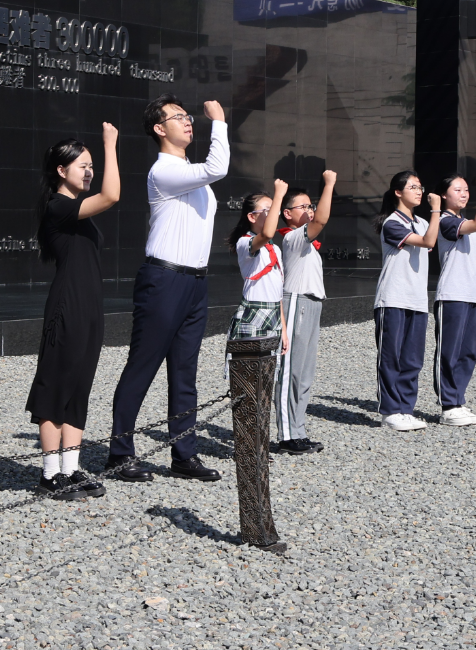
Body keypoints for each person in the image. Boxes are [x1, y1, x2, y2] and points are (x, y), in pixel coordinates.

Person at [106, 95, 229, 482]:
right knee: (142, 366)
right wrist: (219, 121)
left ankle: (184, 455)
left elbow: (208, 174)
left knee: (185, 372)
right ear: (159, 129)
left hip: (195, 282)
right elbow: (218, 167)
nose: (188, 121)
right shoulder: (164, 171)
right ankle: (119, 454)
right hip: (164, 280)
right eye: (178, 117)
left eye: (188, 116)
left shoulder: (191, 173)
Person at [26, 124, 120, 500]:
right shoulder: (59, 207)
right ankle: (50, 475)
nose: (89, 171)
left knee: (79, 388)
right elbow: (111, 195)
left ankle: (70, 469)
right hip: (68, 307)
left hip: (89, 307)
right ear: (61, 170)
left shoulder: (78, 213)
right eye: (83, 165)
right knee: (56, 386)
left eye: (92, 165)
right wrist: (110, 144)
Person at [274, 171, 337, 454]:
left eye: (311, 205)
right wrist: (329, 185)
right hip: (296, 303)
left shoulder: (305, 241)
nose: (310, 210)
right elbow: (321, 221)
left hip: (312, 304)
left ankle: (298, 430)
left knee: (305, 373)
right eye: (304, 206)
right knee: (292, 372)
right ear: (287, 214)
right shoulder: (292, 238)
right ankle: (288, 435)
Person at [374, 170, 441, 431]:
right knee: (390, 357)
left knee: (412, 359)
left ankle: (406, 408)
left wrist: (433, 215)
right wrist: (436, 210)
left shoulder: (422, 222)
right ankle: (390, 411)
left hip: (417, 299)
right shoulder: (391, 222)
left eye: (420, 187)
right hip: (392, 298)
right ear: (398, 192)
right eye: (413, 187)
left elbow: (429, 238)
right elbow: (428, 241)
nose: (419, 191)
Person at [433, 174, 476, 426]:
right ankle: (448, 405)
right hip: (452, 294)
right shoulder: (445, 221)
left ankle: (458, 400)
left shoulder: (464, 222)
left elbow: (474, 263)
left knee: (468, 352)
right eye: (458, 190)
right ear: (444, 195)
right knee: (450, 351)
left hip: (471, 295)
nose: (464, 194)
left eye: (466, 190)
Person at [226, 183, 289, 374]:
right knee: (248, 376)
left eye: (274, 209)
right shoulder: (244, 242)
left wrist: (283, 328)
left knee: (268, 376)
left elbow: (277, 293)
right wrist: (279, 196)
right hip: (252, 314)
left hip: (274, 315)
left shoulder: (275, 249)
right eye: (268, 210)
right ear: (252, 217)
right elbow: (267, 233)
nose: (274, 213)